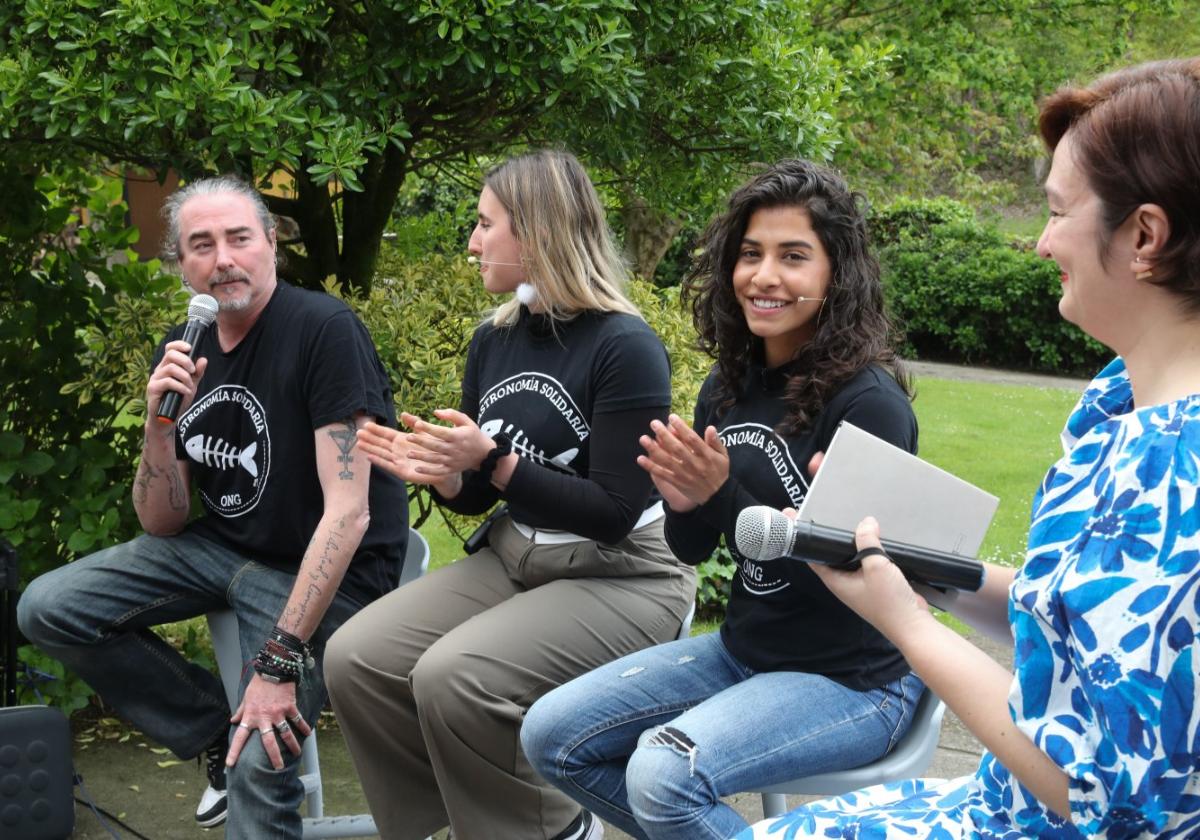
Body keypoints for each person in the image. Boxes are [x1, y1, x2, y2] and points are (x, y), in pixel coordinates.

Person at [737, 57, 1200, 840]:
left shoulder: (1179, 468)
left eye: (1057, 212)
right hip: (1001, 803)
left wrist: (909, 626)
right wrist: (923, 569)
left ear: (1145, 236)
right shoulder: (1117, 399)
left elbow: (1103, 797)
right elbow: (1077, 622)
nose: (1041, 242)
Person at [520, 159, 923, 840]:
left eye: (794, 257)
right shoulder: (729, 385)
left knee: (664, 774)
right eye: (750, 255)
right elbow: (692, 549)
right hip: (745, 652)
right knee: (550, 735)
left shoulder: (869, 405)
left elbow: (855, 579)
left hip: (854, 682)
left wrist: (722, 493)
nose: (764, 276)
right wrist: (686, 501)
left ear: (836, 276)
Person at [17, 176, 409, 839]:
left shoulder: (323, 331)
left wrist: (278, 664)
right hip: (221, 548)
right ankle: (208, 730)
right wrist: (158, 428)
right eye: (202, 244)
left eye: (239, 238)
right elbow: (161, 522)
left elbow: (349, 513)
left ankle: (236, 754)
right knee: (48, 609)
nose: (224, 258)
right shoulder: (185, 343)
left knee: (261, 756)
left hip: (322, 574)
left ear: (270, 246)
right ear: (179, 264)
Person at [323, 149, 696, 840]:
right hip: (518, 556)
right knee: (356, 655)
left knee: (453, 677)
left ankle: (550, 825)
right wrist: (446, 473)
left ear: (536, 233)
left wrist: (492, 461)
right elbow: (476, 498)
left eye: (484, 224)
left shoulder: (626, 346)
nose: (472, 241)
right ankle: (445, 823)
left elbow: (614, 513)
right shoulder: (493, 340)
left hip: (626, 574)